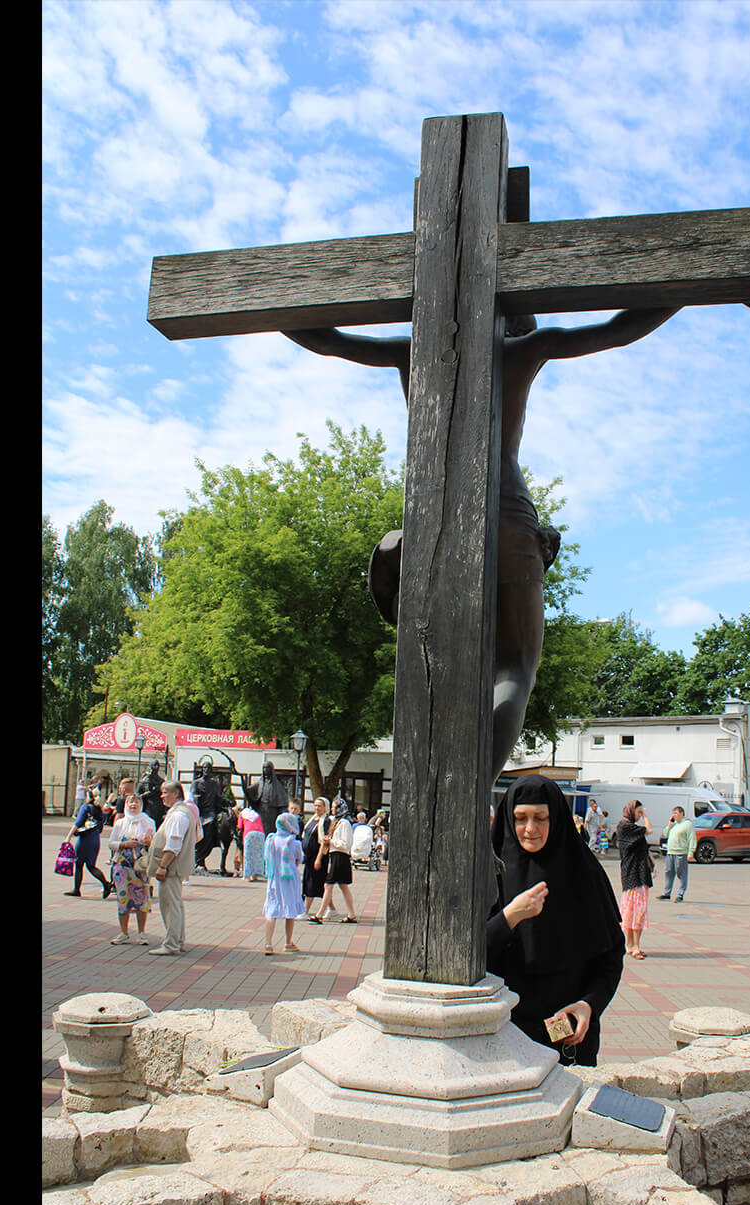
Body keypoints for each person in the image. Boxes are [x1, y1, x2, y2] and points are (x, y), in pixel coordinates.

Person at [284, 307, 681, 782]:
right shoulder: (526, 350)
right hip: (507, 511)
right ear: (514, 322)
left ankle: (435, 784)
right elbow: (620, 329)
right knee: (515, 670)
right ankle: (471, 796)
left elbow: (327, 339)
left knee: (437, 662)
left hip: (435, 518)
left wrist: (258, 300)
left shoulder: (415, 351)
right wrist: (689, 290)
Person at [486, 775, 627, 1066]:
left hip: (564, 1031)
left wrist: (590, 1003)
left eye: (541, 818)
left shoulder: (582, 872)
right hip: (501, 1033)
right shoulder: (488, 874)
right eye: (521, 818)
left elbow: (611, 954)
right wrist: (510, 917)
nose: (530, 828)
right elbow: (467, 954)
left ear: (557, 819)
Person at [144, 780, 200, 955]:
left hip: (171, 868)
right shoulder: (182, 812)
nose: (162, 796)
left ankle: (171, 944)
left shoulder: (178, 815)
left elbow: (173, 844)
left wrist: (162, 866)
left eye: (165, 792)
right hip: (175, 867)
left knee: (170, 905)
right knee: (174, 904)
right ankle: (177, 941)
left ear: (176, 793)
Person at [106, 792, 155, 943]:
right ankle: (124, 932)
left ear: (141, 805)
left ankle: (141, 933)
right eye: (130, 802)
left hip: (140, 866)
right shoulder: (121, 823)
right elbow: (111, 843)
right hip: (122, 865)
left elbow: (155, 844)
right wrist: (124, 844)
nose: (133, 805)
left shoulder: (148, 822)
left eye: (136, 802)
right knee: (123, 898)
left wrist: (148, 842)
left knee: (142, 898)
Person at [261, 811, 306, 954]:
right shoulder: (294, 843)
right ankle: (288, 942)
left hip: (274, 879)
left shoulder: (271, 840)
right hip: (289, 879)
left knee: (272, 910)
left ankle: (268, 943)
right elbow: (299, 860)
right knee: (290, 910)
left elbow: (267, 858)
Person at [614, 802, 654, 959]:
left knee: (631, 910)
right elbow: (649, 830)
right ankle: (635, 946)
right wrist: (646, 816)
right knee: (637, 911)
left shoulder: (626, 826)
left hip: (635, 872)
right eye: (638, 812)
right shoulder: (627, 827)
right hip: (634, 873)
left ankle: (630, 945)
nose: (639, 815)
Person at [64, 789, 114, 900]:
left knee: (79, 864)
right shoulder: (99, 809)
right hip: (95, 839)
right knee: (90, 865)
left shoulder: (86, 807)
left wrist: (68, 837)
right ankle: (104, 884)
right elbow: (100, 828)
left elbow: (78, 823)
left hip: (85, 839)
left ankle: (102, 884)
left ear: (88, 797)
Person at [317, 802, 358, 923]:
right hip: (336, 856)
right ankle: (352, 914)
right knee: (343, 885)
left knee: (328, 885)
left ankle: (319, 914)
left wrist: (331, 841)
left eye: (334, 807)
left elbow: (346, 844)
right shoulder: (336, 822)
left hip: (341, 857)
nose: (332, 809)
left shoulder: (344, 823)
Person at [300, 796, 329, 923]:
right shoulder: (313, 819)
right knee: (316, 883)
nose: (317, 808)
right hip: (308, 856)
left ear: (325, 808)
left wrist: (318, 858)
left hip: (317, 857)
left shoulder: (325, 821)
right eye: (315, 805)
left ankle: (305, 910)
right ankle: (331, 908)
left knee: (312, 883)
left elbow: (324, 841)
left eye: (319, 806)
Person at [657, 805, 692, 903]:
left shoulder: (687, 824)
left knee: (681, 873)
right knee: (668, 872)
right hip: (670, 852)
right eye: (673, 813)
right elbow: (665, 834)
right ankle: (666, 893)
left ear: (681, 813)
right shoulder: (674, 824)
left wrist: (691, 852)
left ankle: (680, 894)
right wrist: (669, 825)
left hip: (681, 852)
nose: (674, 815)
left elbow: (691, 838)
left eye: (676, 813)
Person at [254, 761, 289, 834]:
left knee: (270, 829)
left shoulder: (277, 785)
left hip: (272, 811)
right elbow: (253, 795)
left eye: (267, 768)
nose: (265, 770)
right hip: (261, 810)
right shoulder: (260, 783)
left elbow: (282, 802)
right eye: (264, 768)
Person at [238, 803, 265, 880]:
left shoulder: (242, 814)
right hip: (261, 834)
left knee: (248, 855)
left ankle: (247, 876)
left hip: (249, 834)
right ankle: (255, 875)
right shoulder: (256, 815)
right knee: (258, 855)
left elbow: (239, 826)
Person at [350, 807, 377, 873]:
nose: (361, 819)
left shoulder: (368, 827)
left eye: (363, 818)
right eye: (360, 818)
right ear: (357, 819)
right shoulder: (354, 826)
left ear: (365, 819)